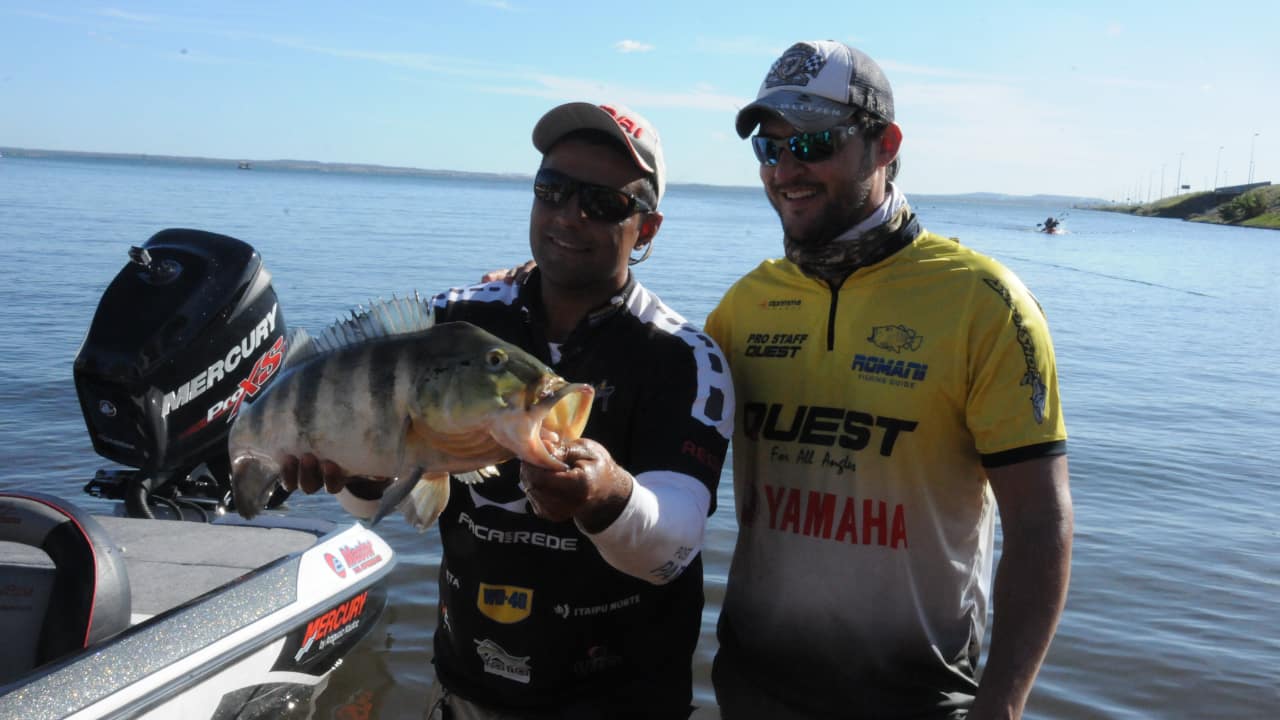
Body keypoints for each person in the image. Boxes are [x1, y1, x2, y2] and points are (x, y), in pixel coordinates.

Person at [281, 101, 734, 719]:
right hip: (467, 689)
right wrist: (355, 472)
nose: (569, 215)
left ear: (646, 229)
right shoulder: (452, 323)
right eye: (553, 190)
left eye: (602, 203)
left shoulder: (680, 354)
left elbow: (673, 547)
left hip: (623, 701)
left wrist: (603, 496)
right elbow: (373, 502)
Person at [705, 40, 1074, 719]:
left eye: (813, 142)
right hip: (753, 688)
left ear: (884, 144)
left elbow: (1040, 522)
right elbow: (649, 423)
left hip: (916, 699)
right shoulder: (742, 306)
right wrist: (535, 295)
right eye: (769, 147)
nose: (786, 169)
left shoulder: (983, 302)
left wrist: (1003, 707)